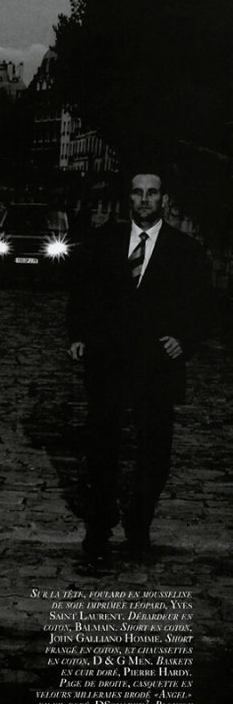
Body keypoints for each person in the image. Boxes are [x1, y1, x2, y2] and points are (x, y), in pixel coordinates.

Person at [67, 168, 211, 565]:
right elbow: (81, 292)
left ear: (164, 200)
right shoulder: (103, 242)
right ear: (128, 198)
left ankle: (139, 521)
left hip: (158, 363)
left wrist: (185, 339)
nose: (144, 199)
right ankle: (99, 524)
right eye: (137, 192)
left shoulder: (186, 250)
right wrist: (78, 335)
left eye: (152, 193)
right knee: (102, 443)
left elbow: (202, 305)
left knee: (154, 448)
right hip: (108, 359)